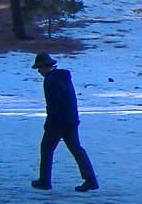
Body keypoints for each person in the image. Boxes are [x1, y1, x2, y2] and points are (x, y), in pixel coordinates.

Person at [31, 53, 99, 193]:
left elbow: (54, 104)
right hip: (70, 119)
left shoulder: (50, 80)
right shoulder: (62, 77)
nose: (39, 72)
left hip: (58, 122)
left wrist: (50, 123)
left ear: (44, 67)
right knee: (76, 149)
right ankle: (91, 180)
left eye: (39, 68)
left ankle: (44, 181)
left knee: (46, 149)